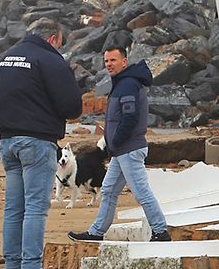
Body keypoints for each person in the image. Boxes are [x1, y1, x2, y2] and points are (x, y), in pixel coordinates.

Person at [0, 18, 83, 269]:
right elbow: (71, 105)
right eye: (60, 42)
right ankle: (31, 267)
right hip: (37, 140)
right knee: (35, 206)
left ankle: (13, 268)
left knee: (14, 207)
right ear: (52, 39)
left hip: (8, 139)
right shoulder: (51, 60)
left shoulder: (6, 57)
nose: (60, 47)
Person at [69, 42, 170, 243]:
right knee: (108, 190)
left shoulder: (128, 84)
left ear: (124, 62)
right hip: (121, 151)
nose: (109, 64)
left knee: (141, 192)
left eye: (113, 60)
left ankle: (161, 232)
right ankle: (97, 232)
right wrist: (114, 145)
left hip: (129, 150)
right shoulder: (122, 82)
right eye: (106, 61)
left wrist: (115, 141)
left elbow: (130, 117)